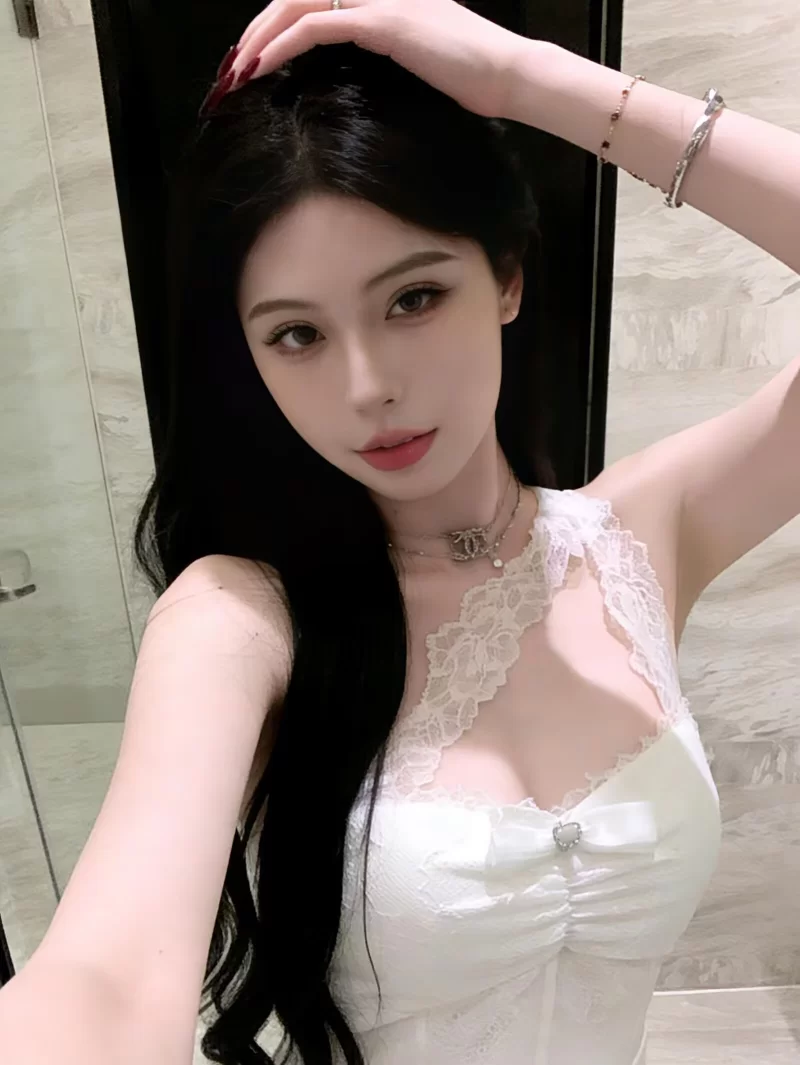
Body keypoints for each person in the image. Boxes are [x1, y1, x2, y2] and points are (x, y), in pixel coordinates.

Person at [1, 1, 798, 1063]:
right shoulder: (239, 620)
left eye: (412, 298)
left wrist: (523, 77)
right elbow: (102, 982)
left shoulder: (639, 538)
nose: (367, 386)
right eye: (297, 334)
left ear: (506, 277)